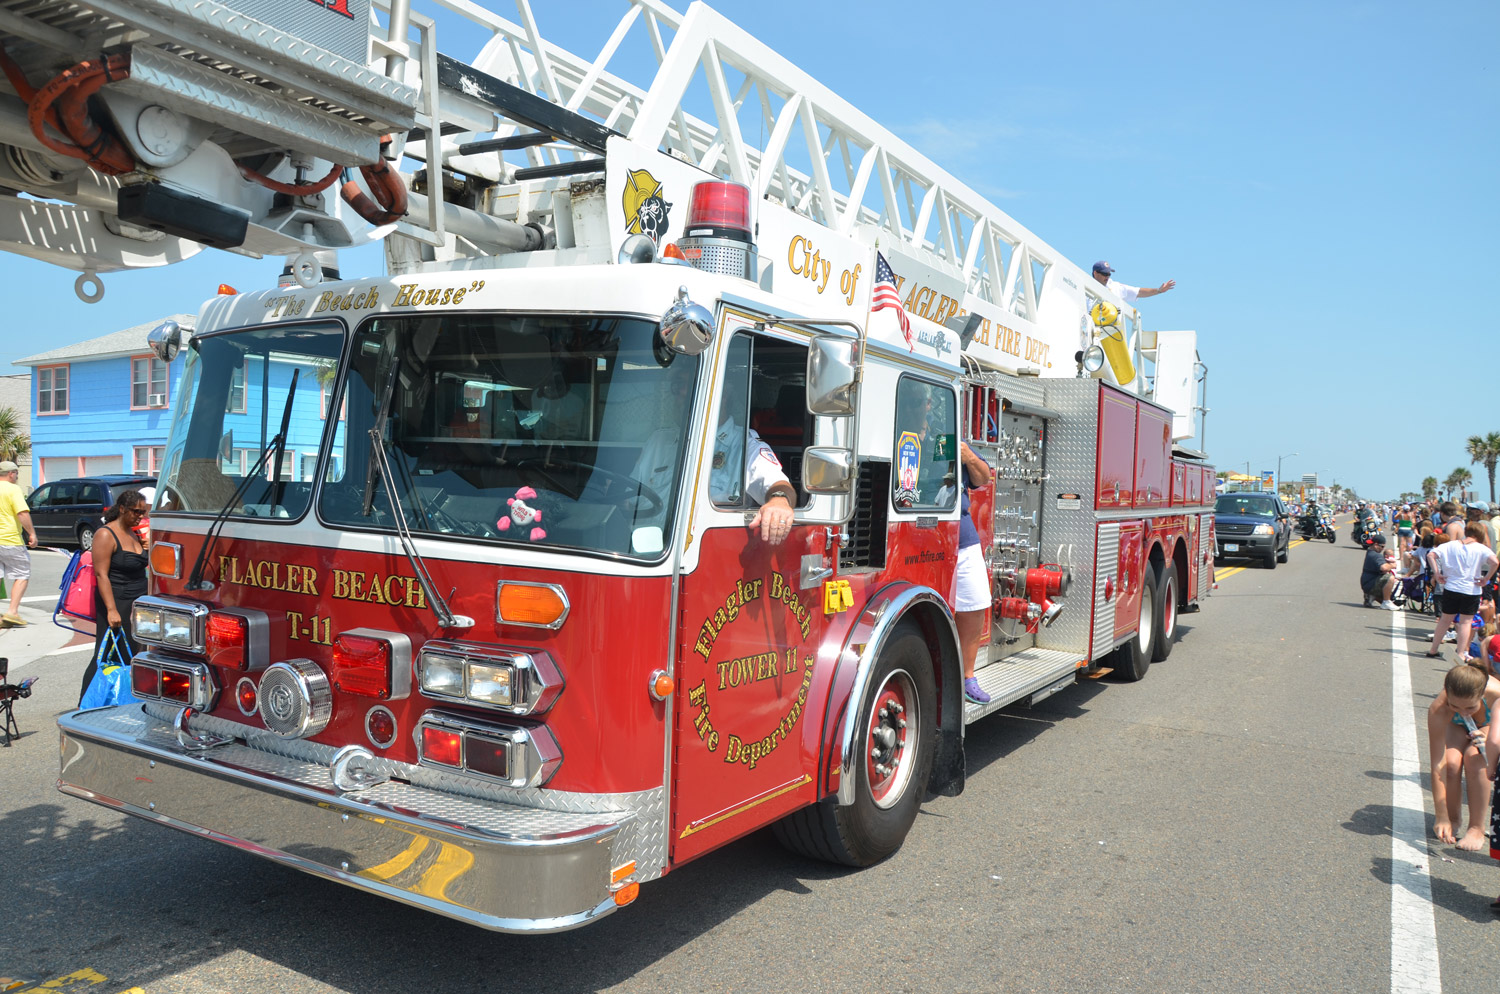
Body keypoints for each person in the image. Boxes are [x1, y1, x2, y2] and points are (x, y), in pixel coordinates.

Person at [78, 490, 150, 704]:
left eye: (143, 512)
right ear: (122, 509)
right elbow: (101, 574)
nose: (140, 516)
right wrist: (111, 609)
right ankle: (86, 703)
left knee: (132, 654)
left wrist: (147, 548)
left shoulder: (132, 533)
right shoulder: (105, 534)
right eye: (136, 511)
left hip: (137, 601)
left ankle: (123, 700)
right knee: (105, 652)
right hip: (117, 600)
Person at [1427, 659, 1500, 850]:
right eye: (1455, 706)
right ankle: (1452, 818)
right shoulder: (1439, 708)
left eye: (1470, 707)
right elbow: (1437, 763)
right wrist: (1440, 815)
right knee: (1450, 763)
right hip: (1456, 726)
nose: (1462, 711)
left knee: (1475, 758)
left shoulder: (1497, 695)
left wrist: (1491, 746)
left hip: (1490, 725)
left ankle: (1476, 827)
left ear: (1482, 694)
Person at [952, 441, 994, 704]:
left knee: (976, 601)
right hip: (920, 534)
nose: (929, 406)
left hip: (962, 537)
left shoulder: (948, 430)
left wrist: (968, 457)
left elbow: (984, 476)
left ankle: (967, 677)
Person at [1426, 522, 1500, 660]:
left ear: (1466, 531)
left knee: (1445, 620)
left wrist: (1437, 573)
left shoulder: (1449, 545)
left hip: (1451, 587)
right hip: (1471, 589)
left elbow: (1431, 555)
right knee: (1466, 622)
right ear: (1480, 535)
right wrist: (1486, 578)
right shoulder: (1481, 548)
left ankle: (1433, 649)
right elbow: (1495, 562)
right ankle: (1460, 652)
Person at [0, 460, 36, 627]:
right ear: (11, 474)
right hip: (10, 539)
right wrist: (32, 534)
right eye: (16, 473)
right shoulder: (13, 489)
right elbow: (22, 513)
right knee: (22, 573)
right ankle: (12, 612)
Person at [1090, 261, 1175, 302]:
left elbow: (1138, 292)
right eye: (1105, 274)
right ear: (1095, 273)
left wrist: (1159, 290)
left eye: (1109, 274)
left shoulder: (1116, 287)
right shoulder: (1085, 286)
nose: (1107, 277)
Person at [1360, 534, 1398, 610]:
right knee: (1390, 578)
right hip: (1370, 584)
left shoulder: (1370, 552)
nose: (1383, 549)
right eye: (1382, 546)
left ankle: (1371, 597)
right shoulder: (1376, 555)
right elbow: (1383, 568)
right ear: (1376, 545)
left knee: (1393, 599)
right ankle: (1386, 602)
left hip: (1367, 582)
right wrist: (1392, 565)